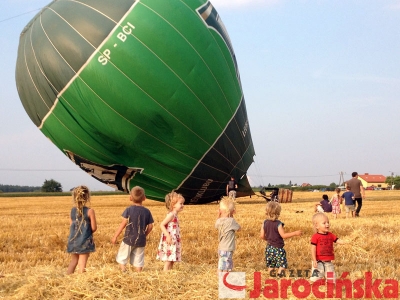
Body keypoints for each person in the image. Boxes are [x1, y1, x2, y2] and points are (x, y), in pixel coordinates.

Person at [111, 186, 154, 272]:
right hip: (141, 240)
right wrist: (144, 235)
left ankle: (123, 271)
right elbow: (150, 226)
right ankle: (138, 273)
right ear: (144, 198)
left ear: (130, 198)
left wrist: (115, 236)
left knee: (122, 256)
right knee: (139, 259)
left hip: (128, 239)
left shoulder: (128, 210)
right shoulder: (147, 211)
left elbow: (123, 224)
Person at [260, 202, 302, 276]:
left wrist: (269, 239)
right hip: (278, 248)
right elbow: (283, 235)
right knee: (282, 264)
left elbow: (262, 236)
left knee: (271, 264)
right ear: (278, 213)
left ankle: (271, 277)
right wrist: (295, 233)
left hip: (269, 248)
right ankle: (279, 277)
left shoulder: (264, 222)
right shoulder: (278, 224)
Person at [67, 185, 97, 274]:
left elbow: (71, 225)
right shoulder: (90, 211)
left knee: (73, 261)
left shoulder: (72, 211)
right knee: (82, 263)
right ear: (87, 197)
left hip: (73, 241)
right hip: (84, 241)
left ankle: (68, 277)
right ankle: (80, 281)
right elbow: (94, 228)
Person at [310, 213, 346, 282]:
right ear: (317, 226)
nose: (327, 224)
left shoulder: (331, 235)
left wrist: (346, 242)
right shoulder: (315, 237)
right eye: (324, 223)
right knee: (316, 278)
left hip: (328, 261)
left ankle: (330, 287)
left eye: (328, 222)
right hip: (318, 261)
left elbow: (337, 240)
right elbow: (313, 249)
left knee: (331, 278)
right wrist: (314, 260)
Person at [156, 191, 185, 271]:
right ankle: (165, 274)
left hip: (174, 239)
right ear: (173, 205)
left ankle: (170, 272)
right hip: (170, 239)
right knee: (169, 259)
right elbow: (162, 225)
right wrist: (168, 236)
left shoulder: (175, 215)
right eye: (181, 203)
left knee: (172, 259)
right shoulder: (171, 215)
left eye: (182, 203)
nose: (182, 205)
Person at [215, 197, 241, 273]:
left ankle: (220, 277)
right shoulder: (231, 221)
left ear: (220, 211)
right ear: (233, 211)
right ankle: (224, 279)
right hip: (228, 248)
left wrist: (218, 215)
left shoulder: (219, 221)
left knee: (221, 264)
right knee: (226, 267)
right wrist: (232, 216)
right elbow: (239, 229)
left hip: (220, 248)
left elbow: (215, 225)